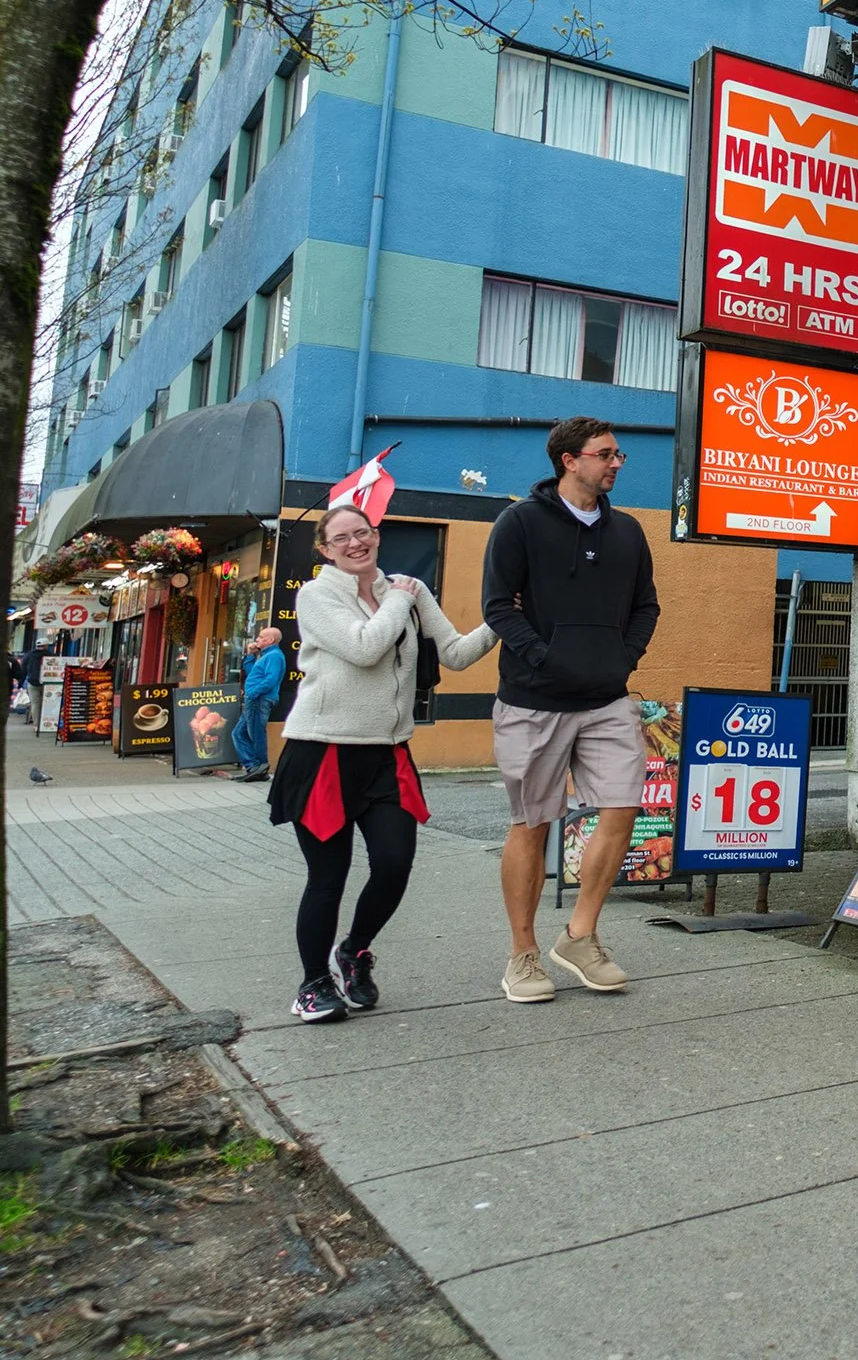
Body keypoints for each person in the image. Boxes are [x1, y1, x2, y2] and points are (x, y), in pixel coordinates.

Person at [272, 505, 496, 1023]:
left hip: (388, 754)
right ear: (325, 550)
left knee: (395, 864)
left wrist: (501, 620)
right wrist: (398, 597)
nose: (356, 543)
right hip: (324, 750)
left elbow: (457, 654)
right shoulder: (318, 595)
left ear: (376, 536)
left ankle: (354, 951)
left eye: (364, 533)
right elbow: (366, 648)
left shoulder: (409, 590)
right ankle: (312, 984)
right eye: (342, 538)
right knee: (328, 877)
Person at [484, 417, 660, 1004]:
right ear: (569, 460)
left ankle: (580, 934)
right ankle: (523, 954)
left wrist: (623, 660)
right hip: (534, 701)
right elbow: (497, 608)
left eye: (619, 455)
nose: (616, 463)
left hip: (606, 698)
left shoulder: (629, 532)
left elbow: (645, 606)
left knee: (622, 806)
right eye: (605, 454)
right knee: (532, 822)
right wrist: (544, 659)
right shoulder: (520, 523)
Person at [233, 626, 286, 781]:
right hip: (256, 698)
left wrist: (253, 693)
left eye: (261, 637)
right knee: (238, 733)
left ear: (270, 640)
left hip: (259, 699)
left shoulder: (274, 656)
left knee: (256, 733)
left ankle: (260, 766)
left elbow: (271, 679)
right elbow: (252, 674)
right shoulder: (264, 656)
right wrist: (250, 655)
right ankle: (254, 767)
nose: (257, 639)